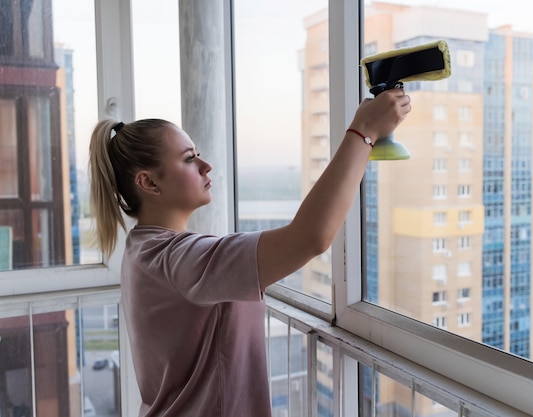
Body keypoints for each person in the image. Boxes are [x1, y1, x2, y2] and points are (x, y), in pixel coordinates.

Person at [88, 87, 411, 416]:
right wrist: (363, 132)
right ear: (149, 183)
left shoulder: (141, 248)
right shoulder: (179, 260)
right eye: (188, 158)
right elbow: (310, 237)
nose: (206, 165)